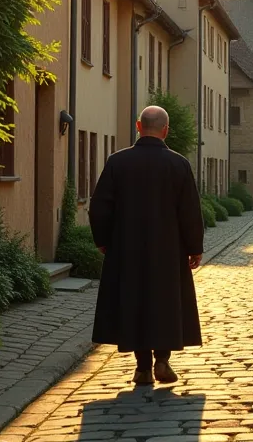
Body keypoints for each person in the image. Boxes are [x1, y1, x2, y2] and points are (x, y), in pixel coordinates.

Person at [89, 105, 204, 385]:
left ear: (138, 127)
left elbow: (99, 207)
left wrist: (104, 240)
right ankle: (162, 361)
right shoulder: (179, 164)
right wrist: (194, 246)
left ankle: (142, 367)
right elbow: (190, 211)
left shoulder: (117, 162)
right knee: (164, 302)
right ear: (165, 130)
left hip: (126, 249)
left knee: (134, 301)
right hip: (168, 250)